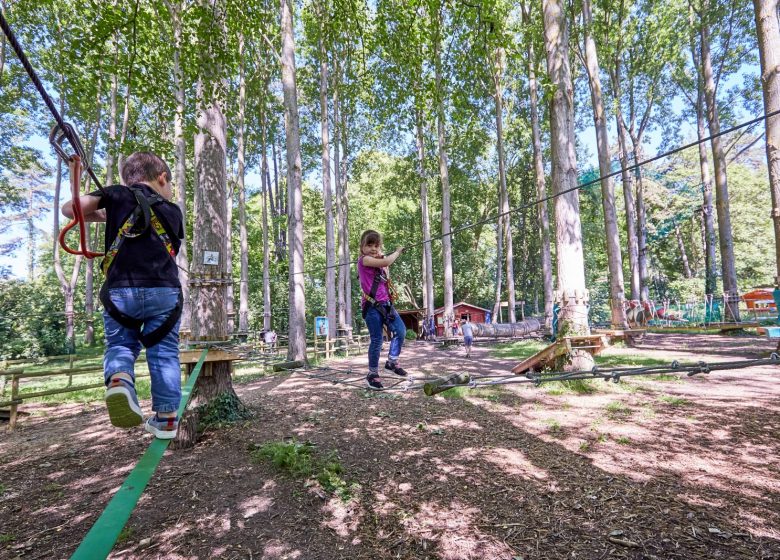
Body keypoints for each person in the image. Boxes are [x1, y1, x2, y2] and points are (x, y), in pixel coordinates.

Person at [62, 152, 184, 439]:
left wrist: (108, 209)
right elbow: (171, 247)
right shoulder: (173, 211)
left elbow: (71, 209)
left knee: (121, 346)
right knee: (164, 351)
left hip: (121, 293)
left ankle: (119, 380)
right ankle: (166, 419)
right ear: (162, 177)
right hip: (164, 293)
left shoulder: (115, 194)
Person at [358, 230, 408, 389]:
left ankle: (392, 362)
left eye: (376, 246)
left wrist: (385, 268)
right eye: (369, 245)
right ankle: (372, 374)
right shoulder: (364, 260)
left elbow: (385, 273)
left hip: (386, 304)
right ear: (362, 247)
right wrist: (398, 252)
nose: (373, 249)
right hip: (372, 306)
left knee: (400, 331)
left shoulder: (379, 263)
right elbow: (387, 261)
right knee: (377, 339)